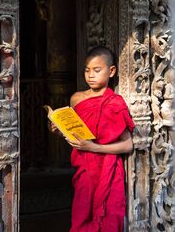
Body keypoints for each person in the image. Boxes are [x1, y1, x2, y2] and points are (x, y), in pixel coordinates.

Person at [49, 46, 135, 232]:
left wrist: (94, 147)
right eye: (87, 70)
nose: (91, 75)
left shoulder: (115, 102)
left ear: (111, 71)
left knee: (109, 220)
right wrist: (58, 129)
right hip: (85, 170)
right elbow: (75, 135)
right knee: (82, 217)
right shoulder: (77, 99)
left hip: (108, 170)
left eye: (97, 70)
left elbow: (128, 145)